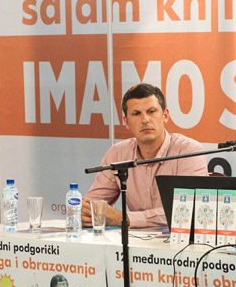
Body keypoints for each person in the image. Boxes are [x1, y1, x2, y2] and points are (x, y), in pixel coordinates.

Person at [82, 83, 207, 228]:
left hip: (179, 239)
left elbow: (188, 211)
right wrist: (85, 212)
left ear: (165, 115)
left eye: (151, 111)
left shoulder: (189, 151)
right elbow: (91, 205)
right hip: (135, 239)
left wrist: (123, 218)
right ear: (126, 122)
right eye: (136, 114)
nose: (145, 120)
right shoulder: (117, 153)